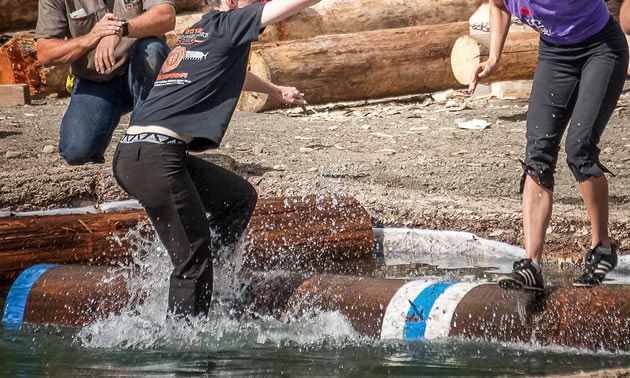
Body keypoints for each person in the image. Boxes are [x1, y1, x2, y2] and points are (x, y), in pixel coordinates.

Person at [112, 0, 317, 317]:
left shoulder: (201, 30)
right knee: (193, 260)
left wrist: (275, 90)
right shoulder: (229, 21)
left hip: (138, 155)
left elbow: (229, 71)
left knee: (238, 198)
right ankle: (186, 346)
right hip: (155, 157)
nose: (262, 4)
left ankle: (216, 285)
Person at [469, 0, 628, 291]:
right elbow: (498, 5)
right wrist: (494, 58)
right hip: (555, 56)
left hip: (602, 49)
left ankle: (602, 248)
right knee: (538, 156)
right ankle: (531, 264)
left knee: (580, 150)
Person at [35, 0, 176, 165]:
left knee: (153, 51)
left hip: (139, 69)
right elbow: (45, 53)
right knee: (77, 153)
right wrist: (91, 38)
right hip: (96, 79)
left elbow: (167, 16)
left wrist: (120, 29)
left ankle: (154, 141)